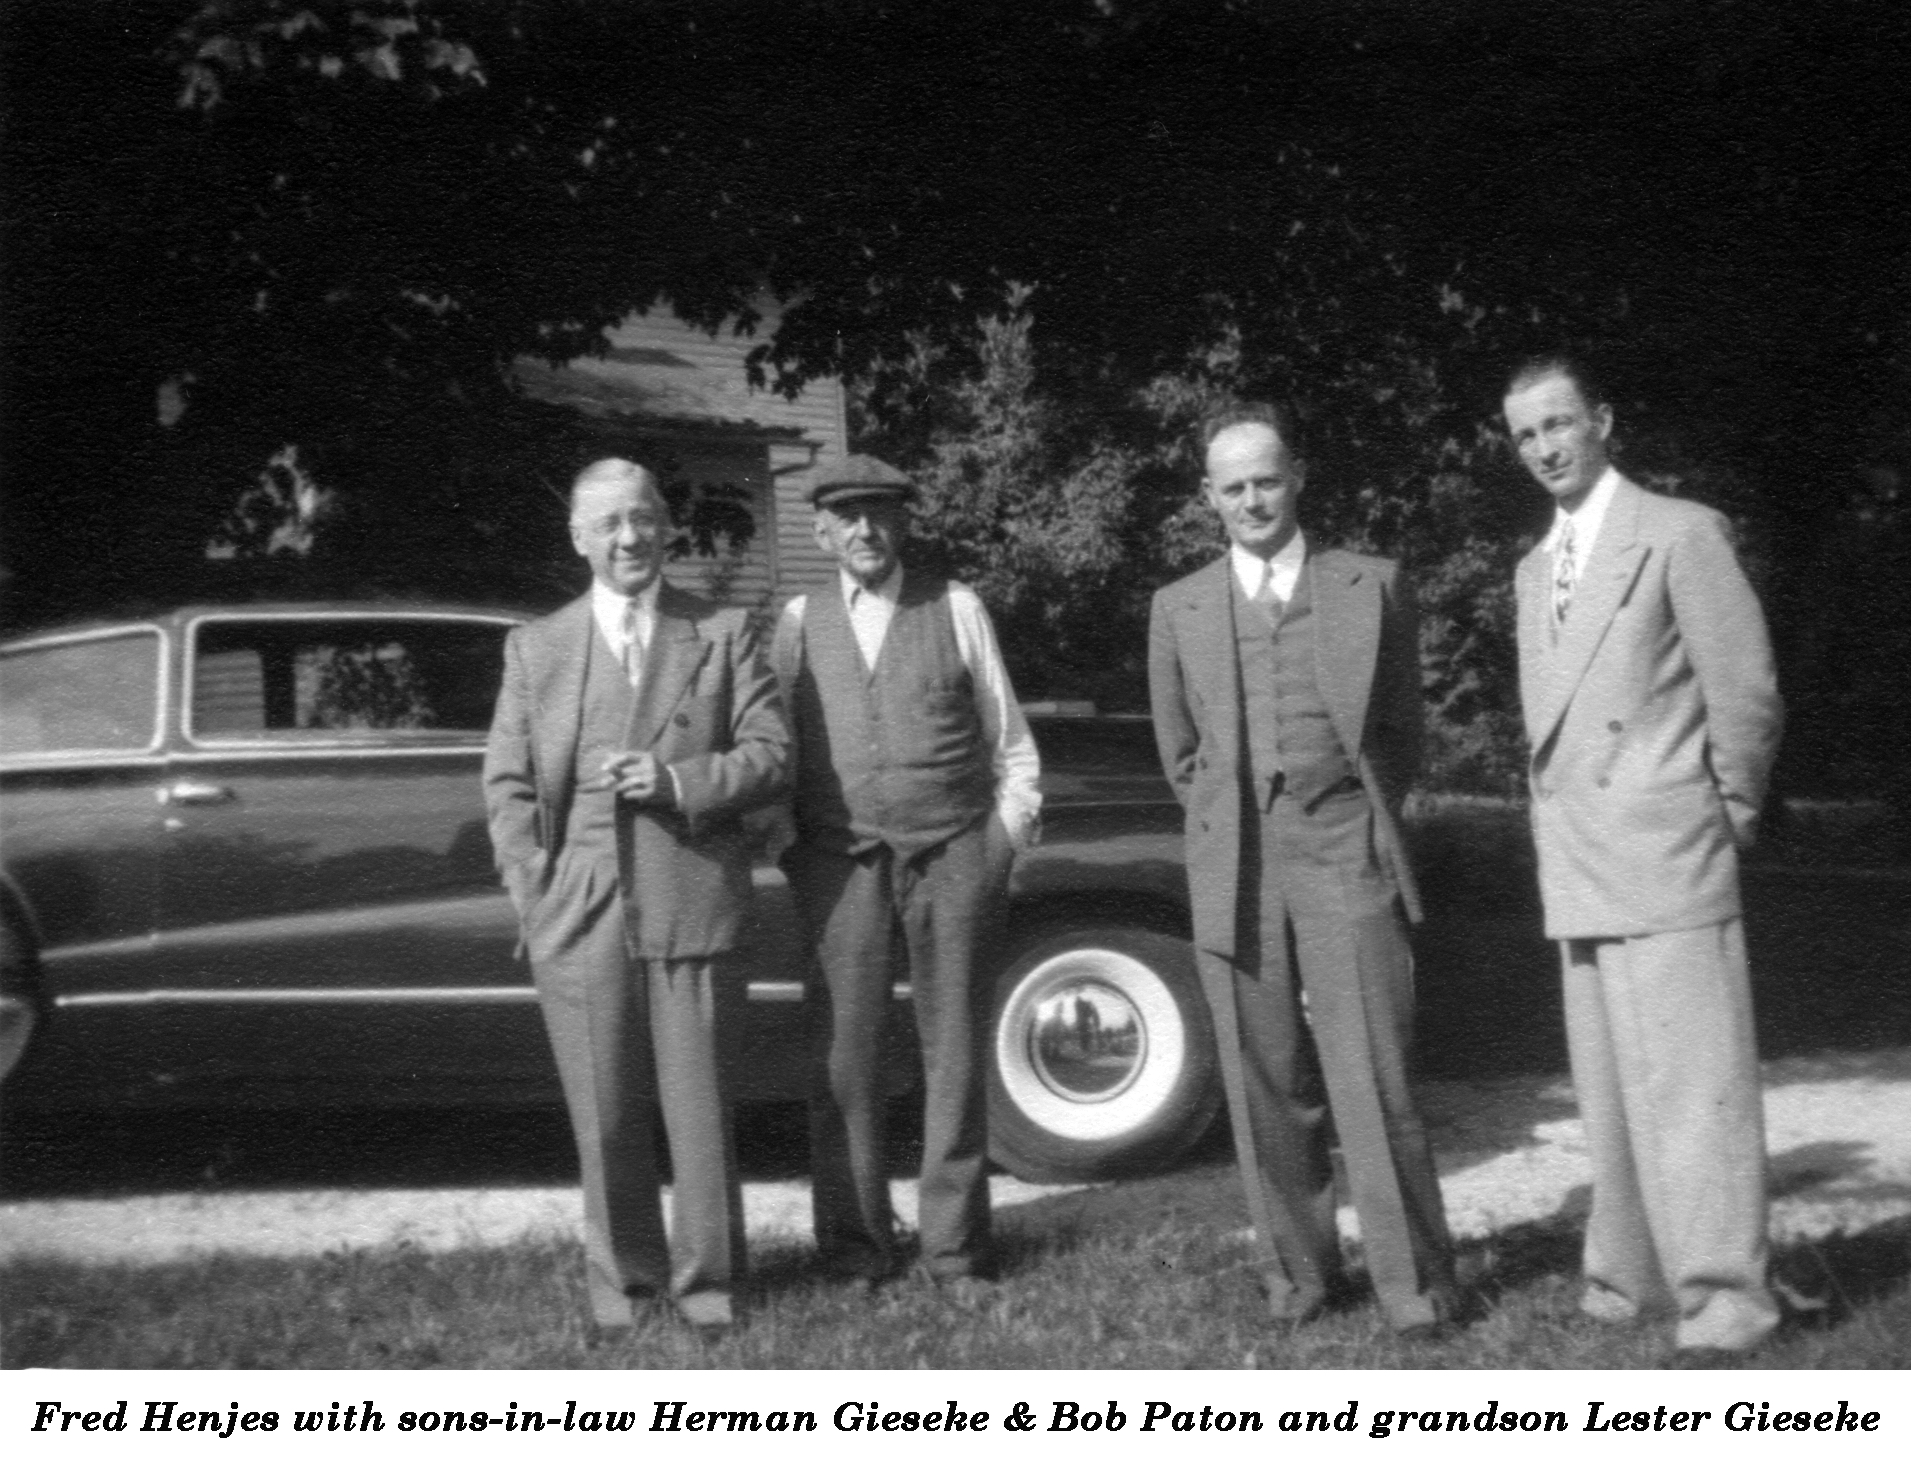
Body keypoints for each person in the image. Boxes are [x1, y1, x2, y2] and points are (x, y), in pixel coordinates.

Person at [1147, 405, 1456, 1335]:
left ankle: (1416, 1289)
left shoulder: (1372, 585)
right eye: (1231, 486)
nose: (1251, 500)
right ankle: (1300, 1280)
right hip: (1237, 865)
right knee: (1265, 1083)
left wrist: (1354, 816)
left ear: (1298, 478)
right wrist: (1236, 816)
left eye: (1266, 480)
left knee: (1376, 1074)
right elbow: (1180, 754)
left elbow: (1402, 734)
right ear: (1209, 497)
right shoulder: (1179, 606)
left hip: (1344, 850)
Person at [1503, 356, 1784, 1357]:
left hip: (1667, 850)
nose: (1545, 447)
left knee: (1694, 1095)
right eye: (1526, 433)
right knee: (1612, 1095)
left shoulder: (1681, 532)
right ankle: (1625, 1279)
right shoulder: (1535, 569)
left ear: (1604, 421)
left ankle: (1727, 1302)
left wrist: (1727, 814)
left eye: (1560, 423)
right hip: (1578, 858)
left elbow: (1743, 694)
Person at [483, 457, 789, 1339]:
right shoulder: (536, 648)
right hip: (576, 909)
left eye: (645, 518)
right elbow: (506, 787)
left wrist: (673, 778)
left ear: (666, 527)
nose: (630, 538)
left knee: (698, 1112)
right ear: (578, 539)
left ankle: (708, 1293)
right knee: (605, 1114)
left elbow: (771, 755)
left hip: (690, 892)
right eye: (610, 523)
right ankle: (624, 1292)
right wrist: (533, 894)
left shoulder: (723, 633)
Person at [773, 453, 1041, 1292]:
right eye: (846, 515)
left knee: (953, 1053)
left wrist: (999, 842)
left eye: (880, 514)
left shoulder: (955, 606)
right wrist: (791, 845)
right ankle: (853, 1249)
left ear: (903, 523)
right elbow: (773, 750)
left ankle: (954, 1250)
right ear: (820, 529)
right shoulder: (794, 620)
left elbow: (1011, 743)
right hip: (838, 861)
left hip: (951, 853)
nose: (864, 530)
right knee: (844, 1060)